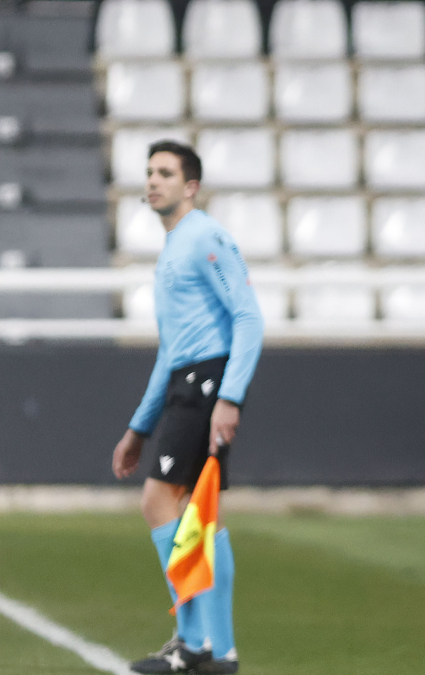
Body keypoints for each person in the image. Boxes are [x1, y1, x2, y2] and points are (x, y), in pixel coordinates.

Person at [111, 141, 263, 674]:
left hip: (206, 384)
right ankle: (215, 652)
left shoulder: (205, 237)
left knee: (159, 502)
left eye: (166, 173)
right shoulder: (174, 248)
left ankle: (197, 644)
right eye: (149, 172)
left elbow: (248, 318)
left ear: (190, 187)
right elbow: (170, 351)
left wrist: (230, 396)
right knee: (201, 518)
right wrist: (138, 427)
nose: (153, 181)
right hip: (186, 382)